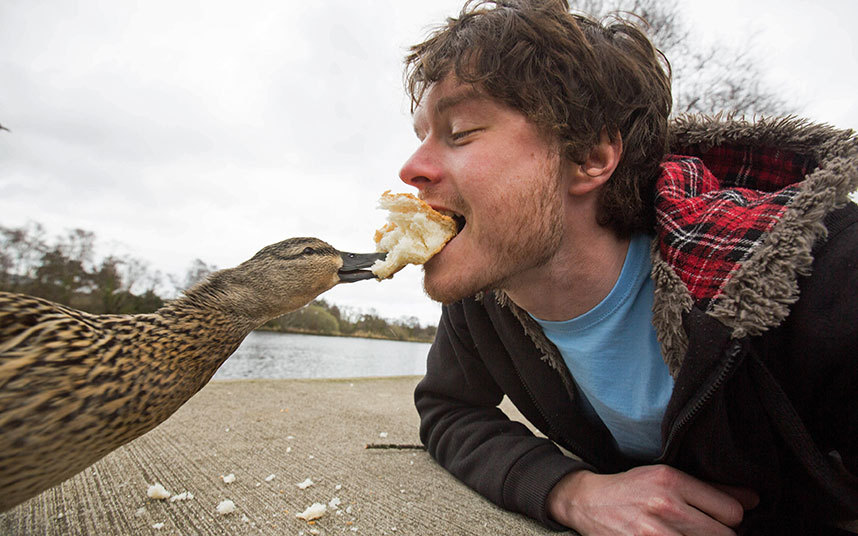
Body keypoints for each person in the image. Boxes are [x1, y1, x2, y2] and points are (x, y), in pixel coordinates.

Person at [397, 0, 858, 533]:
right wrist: (569, 490)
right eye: (421, 136)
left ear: (591, 156)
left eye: (461, 132)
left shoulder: (817, 274)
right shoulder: (491, 288)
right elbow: (449, 411)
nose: (411, 169)